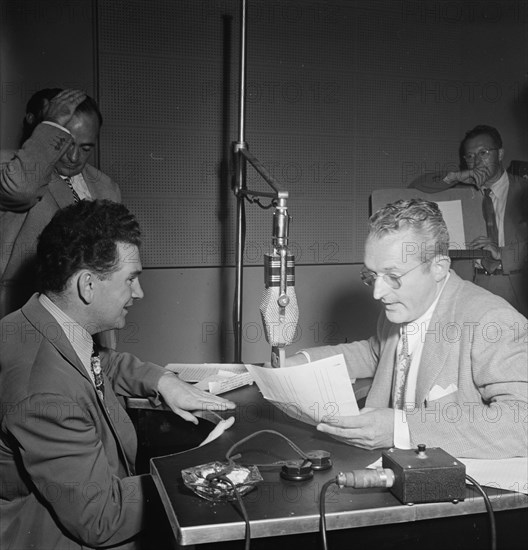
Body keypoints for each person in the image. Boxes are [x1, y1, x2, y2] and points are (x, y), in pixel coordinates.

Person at [0, 199, 236, 550]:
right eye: (131, 279)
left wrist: (162, 380)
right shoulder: (45, 395)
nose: (139, 293)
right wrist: (199, 471)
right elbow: (102, 518)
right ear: (87, 285)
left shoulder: (35, 322)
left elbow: (97, 360)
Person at [285, 199, 527, 460]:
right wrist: (301, 363)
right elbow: (374, 353)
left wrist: (401, 429)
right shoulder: (402, 306)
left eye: (393, 277)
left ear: (438, 268)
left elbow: (520, 422)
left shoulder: (492, 320)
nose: (378, 293)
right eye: (372, 276)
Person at [0, 88, 121, 319]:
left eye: (85, 148)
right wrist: (52, 125)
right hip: (22, 318)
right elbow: (23, 191)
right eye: (66, 144)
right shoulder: (10, 167)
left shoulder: (107, 187)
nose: (74, 157)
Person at [409, 125, 528, 316]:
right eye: (470, 156)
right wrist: (456, 177)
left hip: (516, 287)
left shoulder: (523, 189)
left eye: (483, 153)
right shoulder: (462, 193)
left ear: (500, 154)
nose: (477, 162)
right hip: (472, 288)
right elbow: (415, 188)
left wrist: (502, 253)